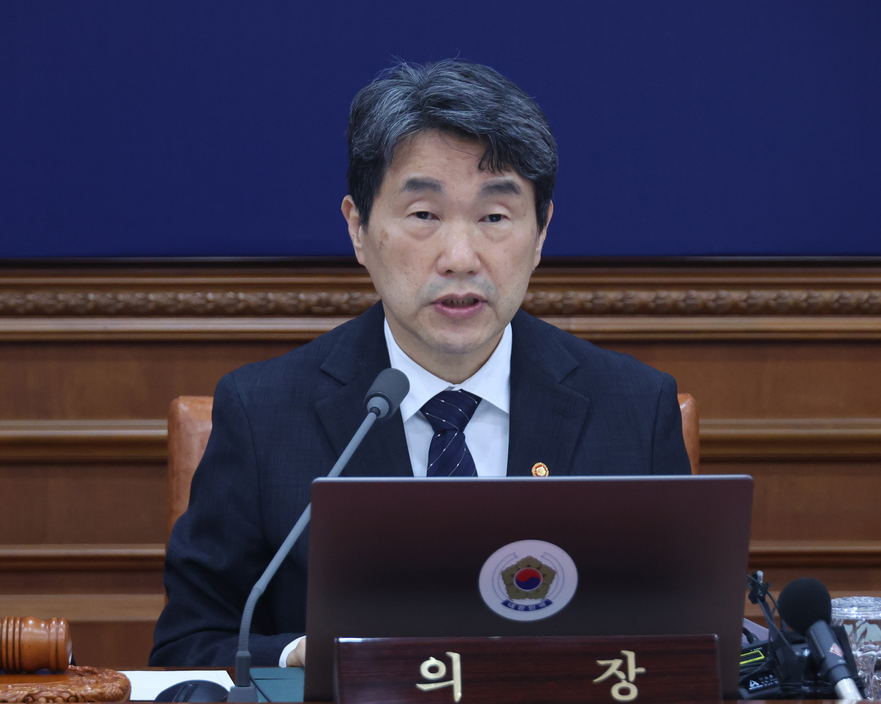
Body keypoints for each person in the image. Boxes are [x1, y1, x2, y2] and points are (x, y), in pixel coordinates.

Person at [150, 60, 691, 669]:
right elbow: (187, 649)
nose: (459, 258)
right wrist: (302, 655)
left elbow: (691, 643)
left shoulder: (634, 408)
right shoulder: (263, 413)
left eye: (494, 217)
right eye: (424, 215)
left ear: (541, 233)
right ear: (358, 229)